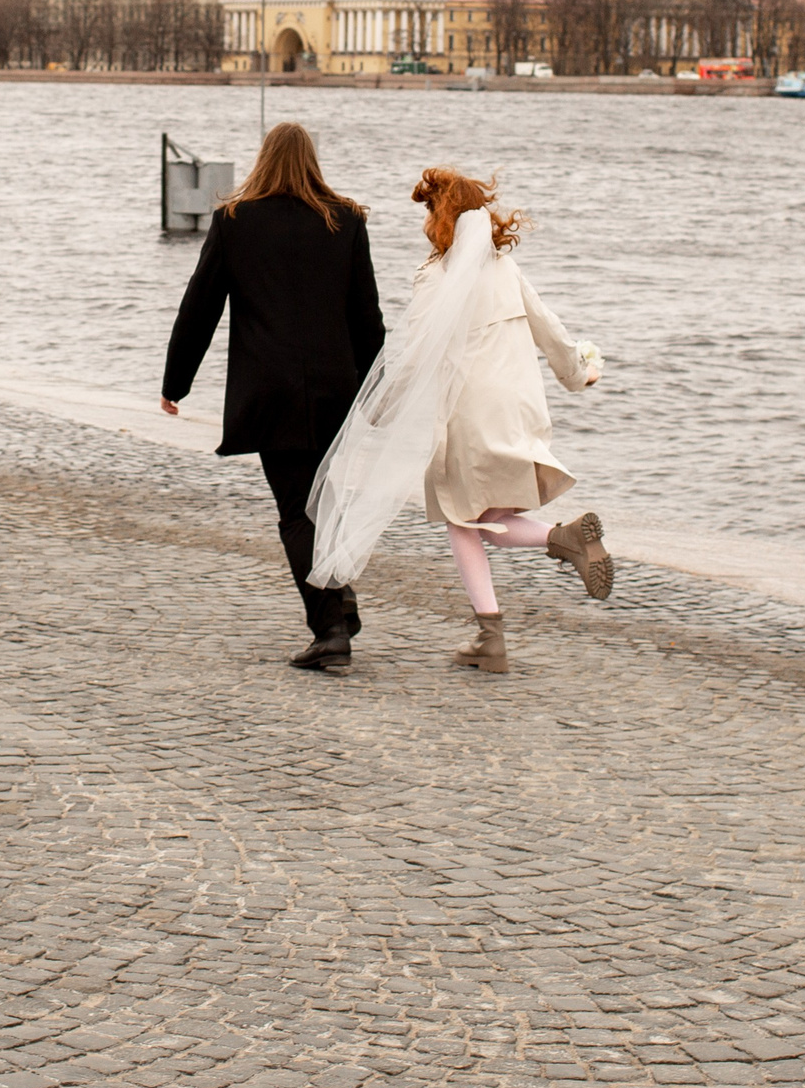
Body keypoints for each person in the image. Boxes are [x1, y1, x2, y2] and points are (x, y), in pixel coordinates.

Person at [305, 168, 611, 675]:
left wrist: (378, 411)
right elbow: (549, 330)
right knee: (483, 521)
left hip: (467, 415)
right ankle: (495, 630)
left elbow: (414, 352)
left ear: (441, 216)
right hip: (520, 407)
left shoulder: (436, 276)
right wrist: (582, 374)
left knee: (464, 519)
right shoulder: (505, 268)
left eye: (429, 211)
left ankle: (554, 555)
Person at [162, 122, 386, 671]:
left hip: (270, 391)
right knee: (326, 504)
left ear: (262, 161)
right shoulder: (346, 221)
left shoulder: (236, 222)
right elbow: (368, 319)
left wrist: (175, 383)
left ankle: (330, 627)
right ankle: (338, 595)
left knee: (295, 511)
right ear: (313, 161)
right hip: (338, 391)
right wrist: (380, 389)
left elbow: (200, 308)